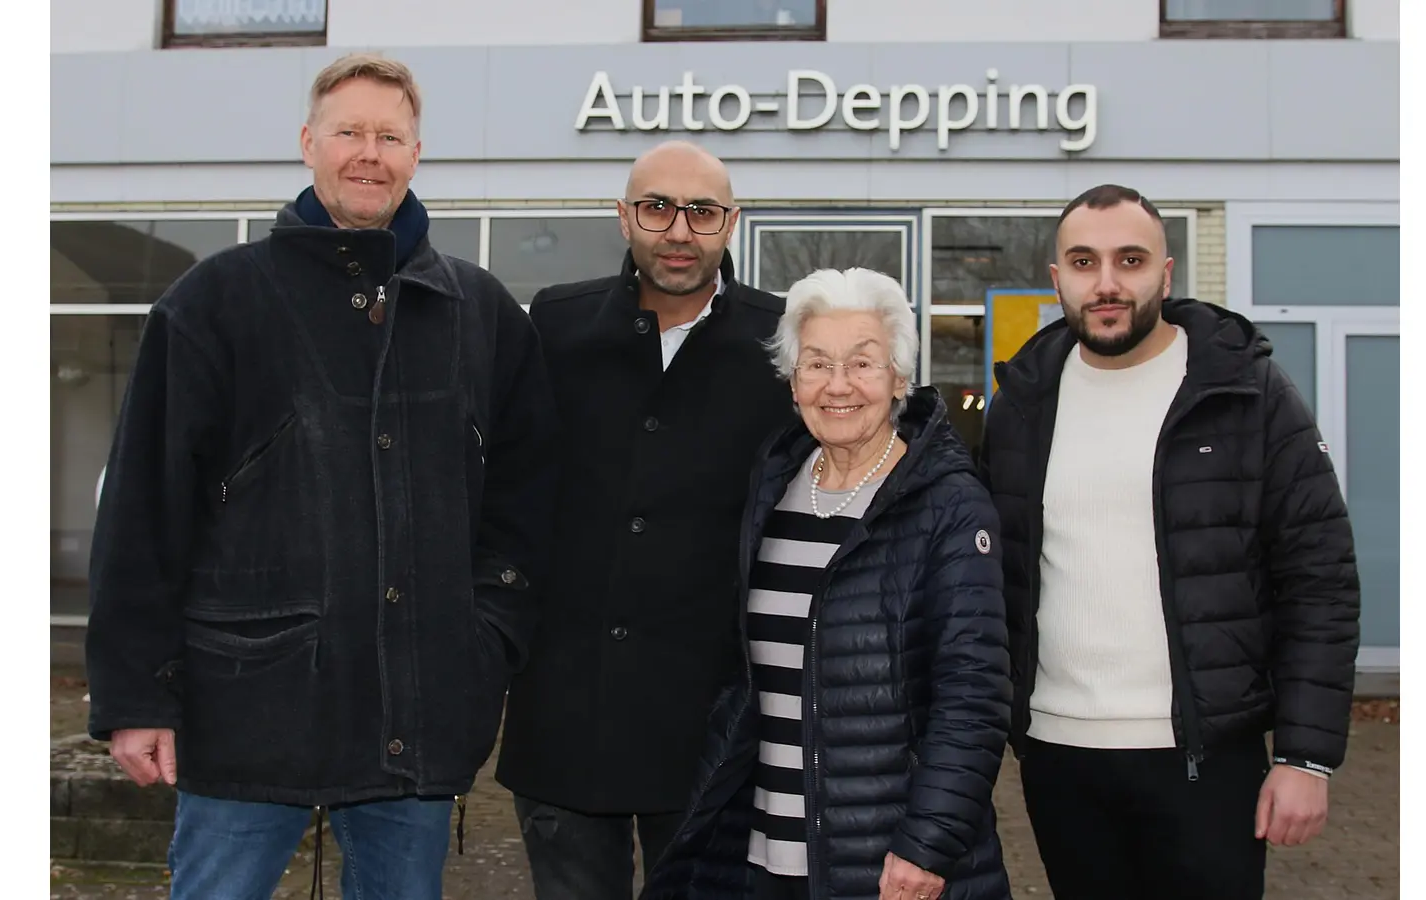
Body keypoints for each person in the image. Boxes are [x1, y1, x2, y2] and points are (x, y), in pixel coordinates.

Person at [84, 53, 557, 900]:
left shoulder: (479, 314)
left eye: (389, 135)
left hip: (414, 721)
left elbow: (524, 506)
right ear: (309, 143)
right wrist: (134, 695)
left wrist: (485, 641)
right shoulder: (214, 302)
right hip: (245, 714)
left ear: (417, 154)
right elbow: (143, 512)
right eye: (349, 132)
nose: (368, 153)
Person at [978, 184, 1361, 900]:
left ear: (1167, 272)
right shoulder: (1023, 404)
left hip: (1206, 759)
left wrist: (1306, 757)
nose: (1109, 283)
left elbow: (1319, 576)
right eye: (1085, 262)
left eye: (1131, 259)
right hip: (1061, 756)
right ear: (1057, 279)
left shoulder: (1245, 391)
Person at [643, 268, 1014, 900]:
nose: (838, 385)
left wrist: (926, 843)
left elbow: (972, 696)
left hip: (885, 865)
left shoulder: (949, 505)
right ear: (793, 383)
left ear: (900, 379)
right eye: (816, 363)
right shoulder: (774, 482)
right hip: (768, 852)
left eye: (863, 363)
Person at [495, 140, 795, 900]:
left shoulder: (783, 342)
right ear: (624, 217)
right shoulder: (555, 325)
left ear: (732, 222)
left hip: (713, 727)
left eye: (703, 211)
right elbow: (505, 485)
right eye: (658, 208)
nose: (680, 230)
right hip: (564, 717)